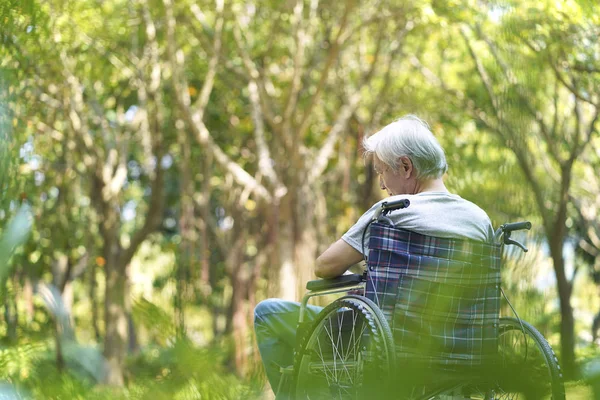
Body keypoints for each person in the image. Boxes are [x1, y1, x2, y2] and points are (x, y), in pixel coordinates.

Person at [254, 115, 495, 397]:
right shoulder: (479, 220)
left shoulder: (392, 211)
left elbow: (325, 266)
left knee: (267, 313)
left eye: (382, 172)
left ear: (405, 166)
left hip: (387, 345)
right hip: (461, 351)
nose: (381, 184)